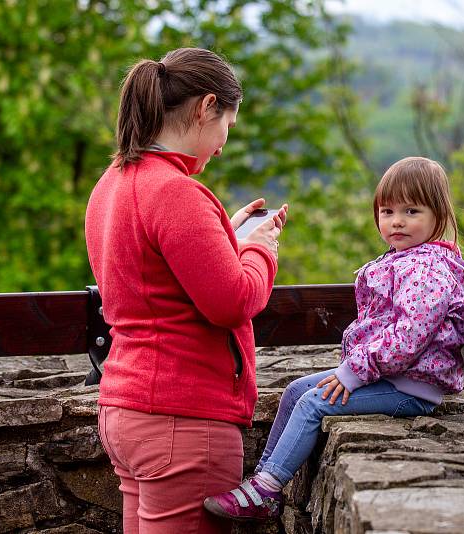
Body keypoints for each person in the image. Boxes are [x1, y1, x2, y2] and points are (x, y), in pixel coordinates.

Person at [203, 156, 464, 521]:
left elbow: (407, 337)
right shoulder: (405, 258)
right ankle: (263, 480)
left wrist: (355, 371)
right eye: (387, 210)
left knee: (315, 403)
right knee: (297, 390)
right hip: (389, 375)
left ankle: (267, 490)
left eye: (412, 211)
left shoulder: (426, 269)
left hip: (411, 387)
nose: (396, 221)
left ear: (438, 214)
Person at [85, 47, 288, 533]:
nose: (221, 145)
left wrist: (225, 239)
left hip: (127, 409)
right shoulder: (176, 191)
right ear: (206, 107)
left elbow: (157, 280)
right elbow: (232, 301)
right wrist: (259, 250)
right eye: (227, 127)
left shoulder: (111, 183)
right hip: (183, 419)